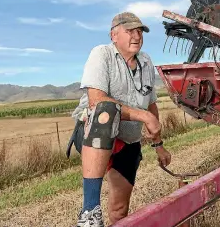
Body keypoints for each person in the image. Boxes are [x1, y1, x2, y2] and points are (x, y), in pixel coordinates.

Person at [69, 12, 172, 227]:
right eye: (130, 31)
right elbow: (96, 101)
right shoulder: (102, 54)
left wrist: (159, 145)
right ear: (114, 35)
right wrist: (142, 115)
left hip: (128, 142)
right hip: (93, 135)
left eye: (140, 31)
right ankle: (89, 212)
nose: (137, 36)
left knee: (120, 209)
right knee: (104, 109)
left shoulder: (145, 61)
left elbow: (151, 104)